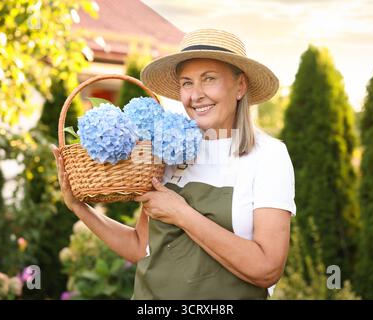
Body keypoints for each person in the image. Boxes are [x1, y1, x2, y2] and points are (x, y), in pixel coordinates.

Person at [52, 28, 296, 300]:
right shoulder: (166, 149)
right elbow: (140, 246)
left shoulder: (268, 156)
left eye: (209, 79)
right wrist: (78, 207)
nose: (196, 95)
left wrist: (182, 214)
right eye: (187, 83)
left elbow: (266, 268)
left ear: (240, 86)